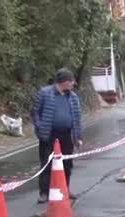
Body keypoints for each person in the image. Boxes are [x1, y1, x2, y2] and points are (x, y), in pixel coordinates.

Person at [32, 68, 83, 204]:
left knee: (67, 163)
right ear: (64, 81)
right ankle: (44, 192)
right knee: (47, 163)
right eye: (71, 81)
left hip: (66, 134)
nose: (73, 84)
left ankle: (65, 188)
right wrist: (39, 127)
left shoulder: (72, 97)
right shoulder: (44, 93)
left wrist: (78, 137)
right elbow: (35, 112)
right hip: (49, 134)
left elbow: (77, 119)